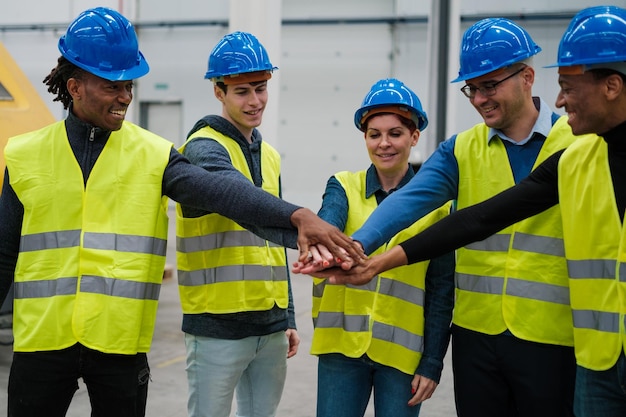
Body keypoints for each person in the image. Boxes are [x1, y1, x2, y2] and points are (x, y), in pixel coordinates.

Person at [0, 8, 363, 417]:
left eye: (129, 85)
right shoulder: (26, 154)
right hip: (41, 343)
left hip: (119, 344)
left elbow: (221, 192)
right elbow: (3, 254)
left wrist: (297, 217)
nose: (125, 97)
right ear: (75, 87)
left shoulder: (154, 155)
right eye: (112, 86)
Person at [311, 5, 626, 417]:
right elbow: (426, 205)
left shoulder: (580, 140)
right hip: (478, 335)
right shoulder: (462, 149)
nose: (479, 99)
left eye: (489, 85)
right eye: (471, 89)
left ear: (527, 76)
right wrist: (360, 247)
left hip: (556, 334)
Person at [175, 31, 303, 417]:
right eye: (242, 91)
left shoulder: (272, 156)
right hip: (218, 326)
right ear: (219, 92)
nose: (255, 101)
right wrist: (305, 226)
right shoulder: (202, 147)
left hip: (270, 326)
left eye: (261, 89)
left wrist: (289, 316)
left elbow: (273, 244)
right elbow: (242, 204)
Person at [309, 79, 454, 417]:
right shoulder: (344, 186)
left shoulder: (437, 205)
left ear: (414, 137)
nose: (384, 144)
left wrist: (432, 362)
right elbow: (327, 224)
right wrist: (320, 243)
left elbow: (441, 289)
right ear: (365, 138)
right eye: (374, 134)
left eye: (395, 133)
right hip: (341, 348)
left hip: (402, 356)